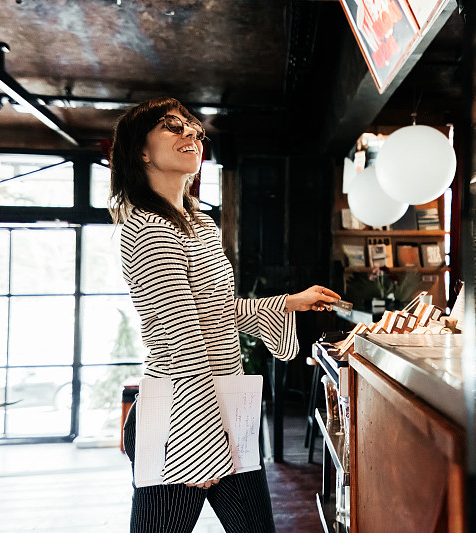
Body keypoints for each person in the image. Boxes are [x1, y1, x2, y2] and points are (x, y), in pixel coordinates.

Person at [109, 96, 340, 533]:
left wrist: (289, 302)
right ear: (141, 151)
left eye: (193, 128)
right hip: (181, 419)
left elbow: (212, 313)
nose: (191, 134)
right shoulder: (147, 227)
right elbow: (181, 337)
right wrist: (205, 448)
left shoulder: (198, 222)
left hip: (221, 407)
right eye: (172, 127)